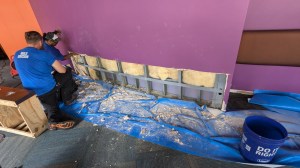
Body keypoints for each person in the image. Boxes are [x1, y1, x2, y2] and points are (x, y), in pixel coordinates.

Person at [14, 31, 76, 130]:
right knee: (67, 71)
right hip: (45, 89)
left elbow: (21, 66)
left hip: (28, 89)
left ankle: (52, 110)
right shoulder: (45, 54)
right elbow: (62, 70)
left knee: (50, 105)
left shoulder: (17, 54)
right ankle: (54, 120)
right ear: (40, 41)